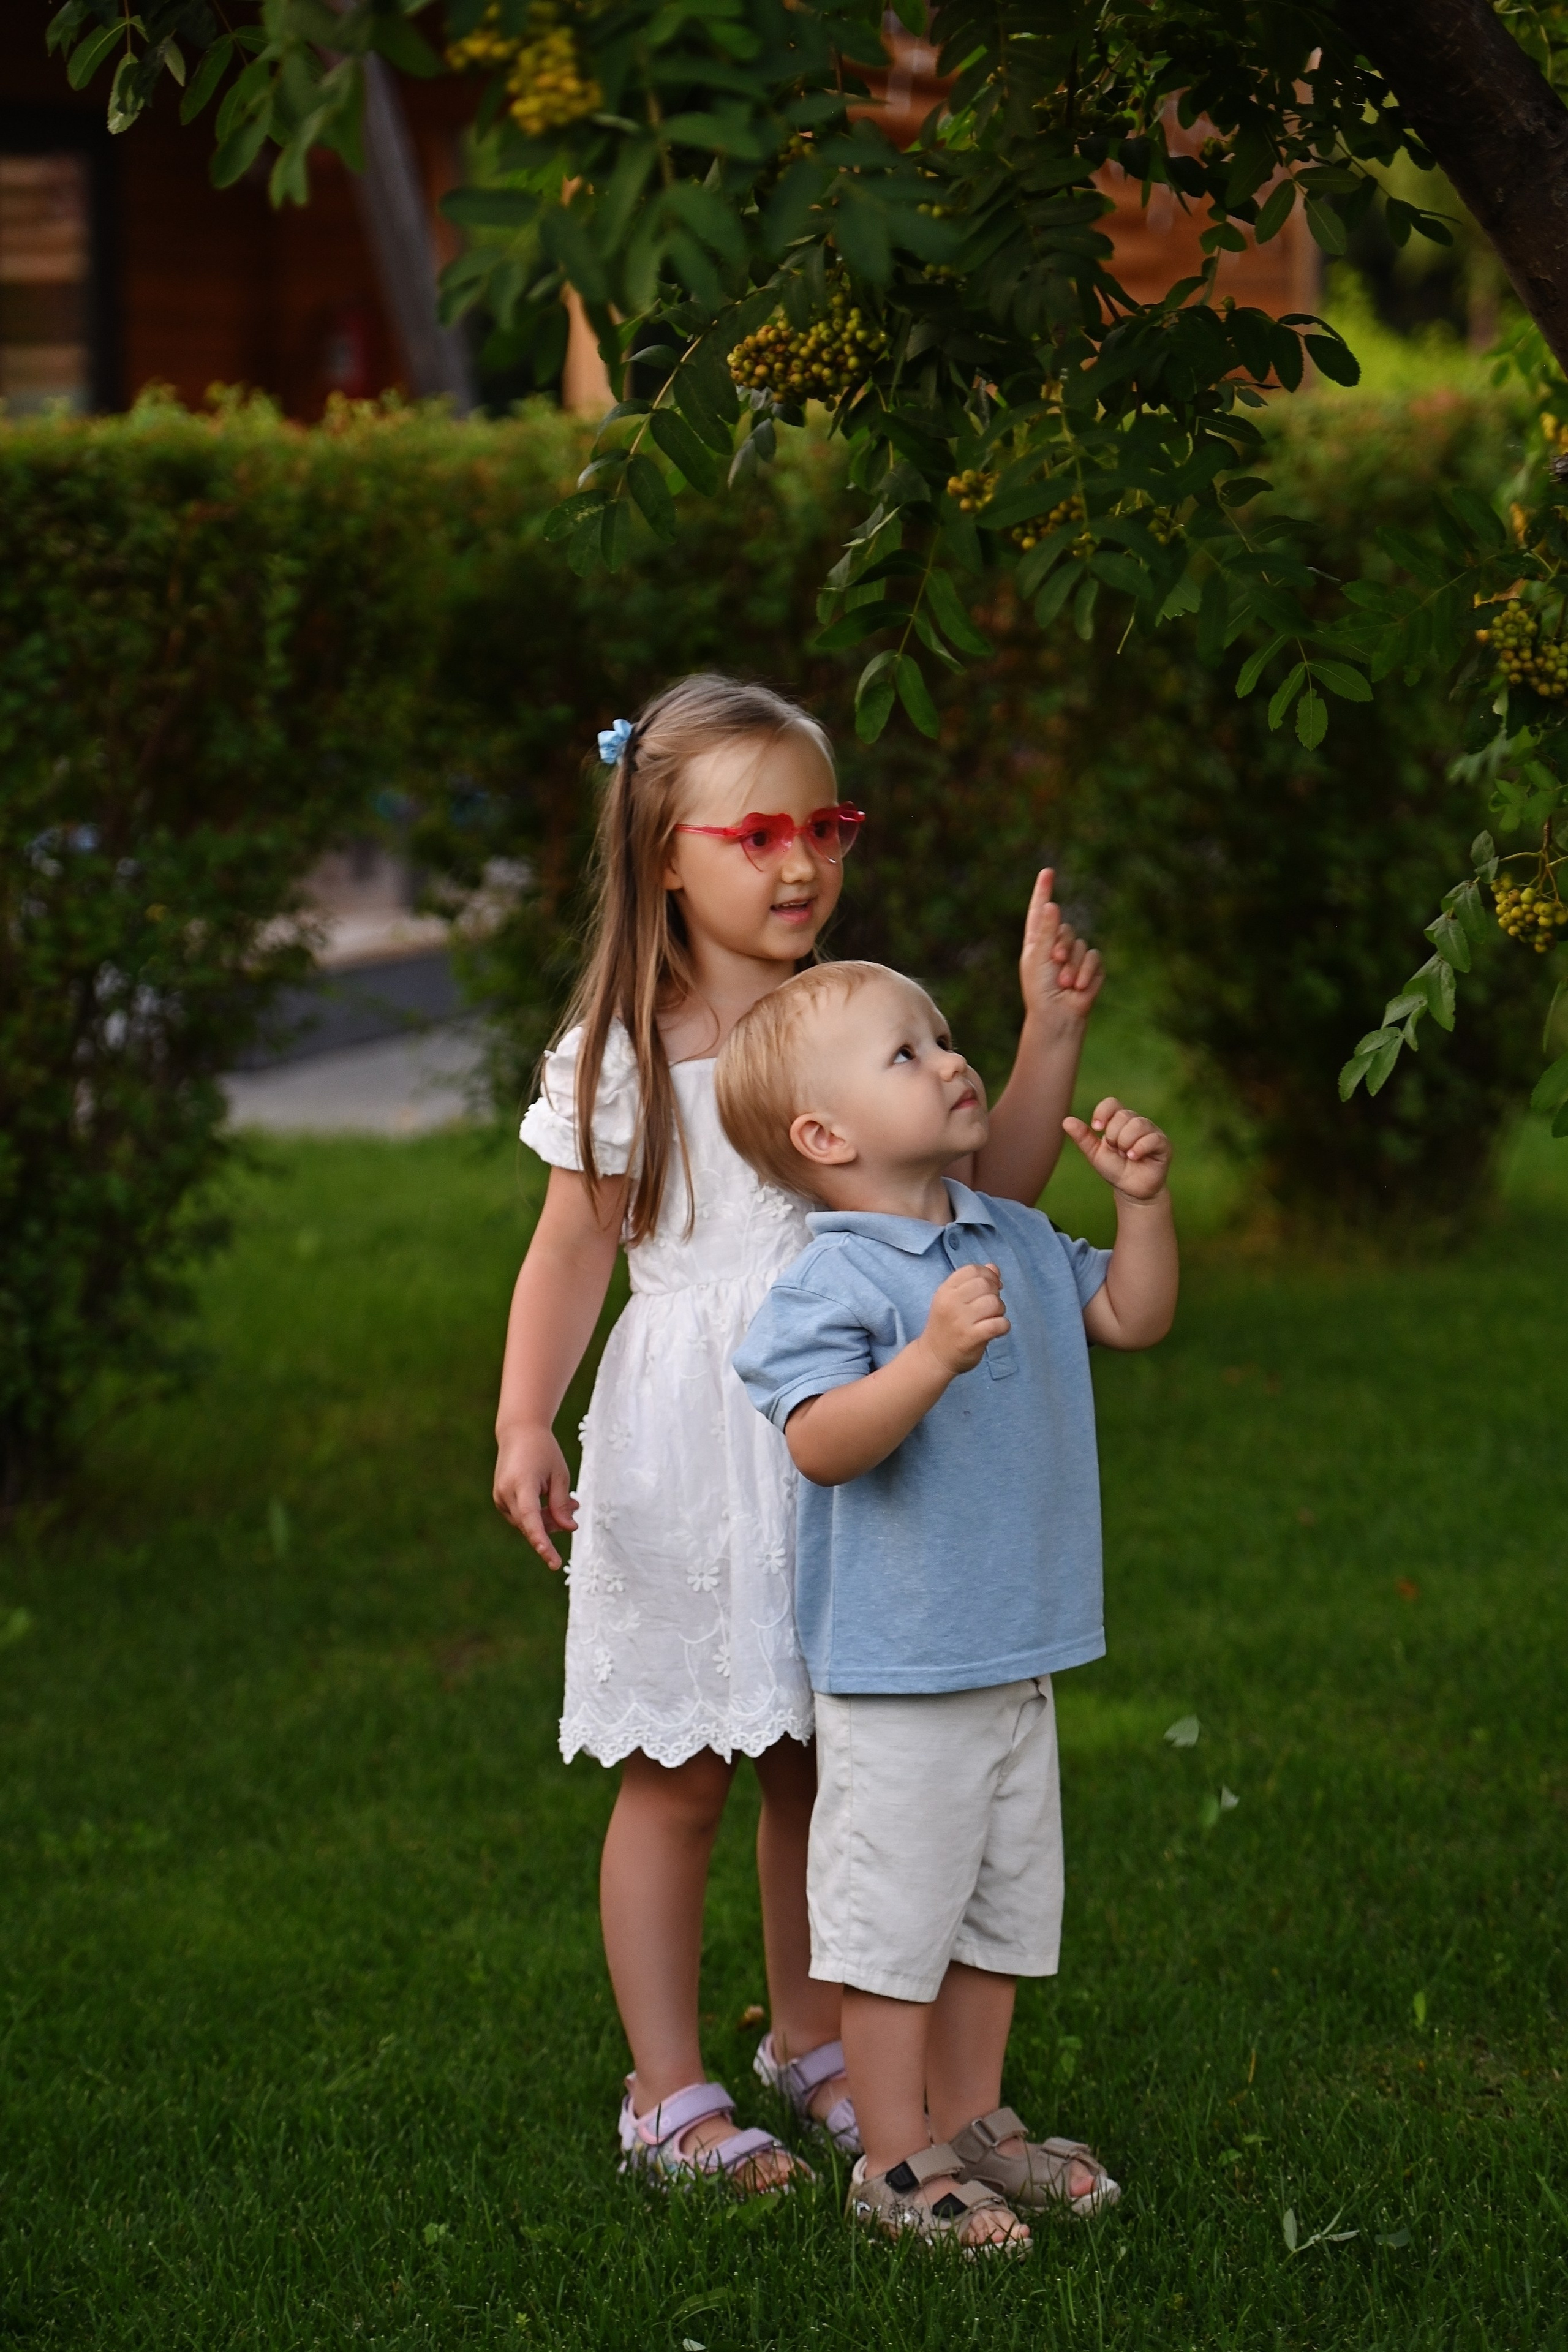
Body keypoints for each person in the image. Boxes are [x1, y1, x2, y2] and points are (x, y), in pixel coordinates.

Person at [492, 675, 1103, 2190]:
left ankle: (818, 2039)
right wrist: (525, 1415)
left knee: (816, 1758)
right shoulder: (625, 1047)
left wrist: (1040, 1037)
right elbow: (572, 1247)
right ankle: (667, 2087)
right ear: (661, 858)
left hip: (849, 1442)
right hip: (692, 1447)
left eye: (819, 826)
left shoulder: (852, 1021)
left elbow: (990, 1199)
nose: (795, 865)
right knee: (682, 1767)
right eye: (754, 831)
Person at [723, 959, 1177, 2250]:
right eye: (905, 1055)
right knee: (891, 1926)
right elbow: (819, 1443)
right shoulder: (839, 1279)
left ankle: (976, 2124)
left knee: (997, 1912)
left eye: (940, 1038)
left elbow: (1128, 1316)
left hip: (1016, 1645)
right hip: (904, 1668)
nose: (949, 1059)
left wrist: (1139, 1206)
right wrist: (924, 1357)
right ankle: (890, 2160)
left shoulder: (1011, 1237)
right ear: (824, 1137)